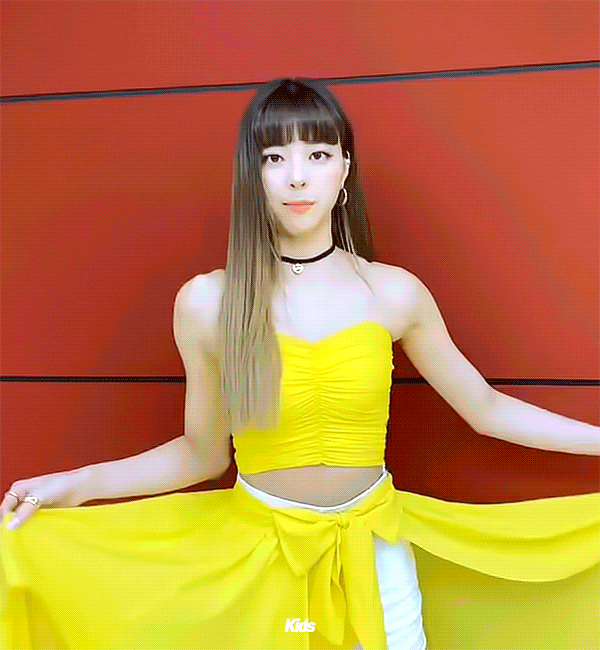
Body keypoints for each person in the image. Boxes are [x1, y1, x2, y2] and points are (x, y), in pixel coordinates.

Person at [1, 77, 598, 650]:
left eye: (317, 154)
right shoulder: (208, 302)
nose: (296, 176)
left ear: (344, 170)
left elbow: (487, 409)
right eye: (274, 157)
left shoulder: (394, 293)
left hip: (374, 552)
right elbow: (202, 453)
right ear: (252, 174)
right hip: (262, 560)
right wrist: (75, 484)